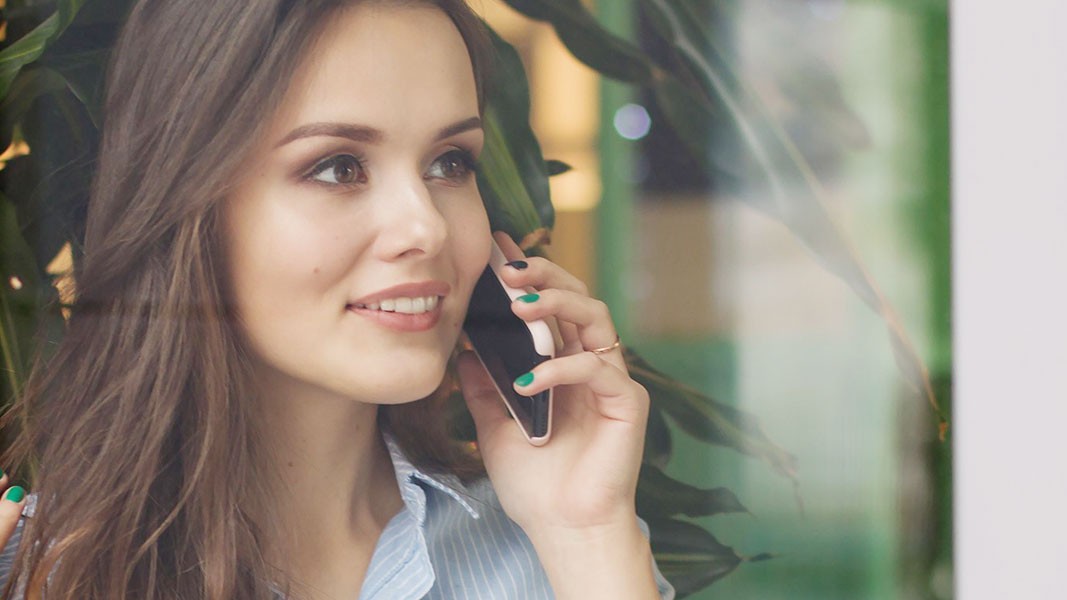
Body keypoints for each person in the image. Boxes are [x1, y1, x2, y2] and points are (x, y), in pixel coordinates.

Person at [0, 0, 674, 598]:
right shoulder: (34, 572)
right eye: (337, 167)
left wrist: (586, 536)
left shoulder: (561, 549)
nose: (427, 227)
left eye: (450, 163)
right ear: (185, 209)